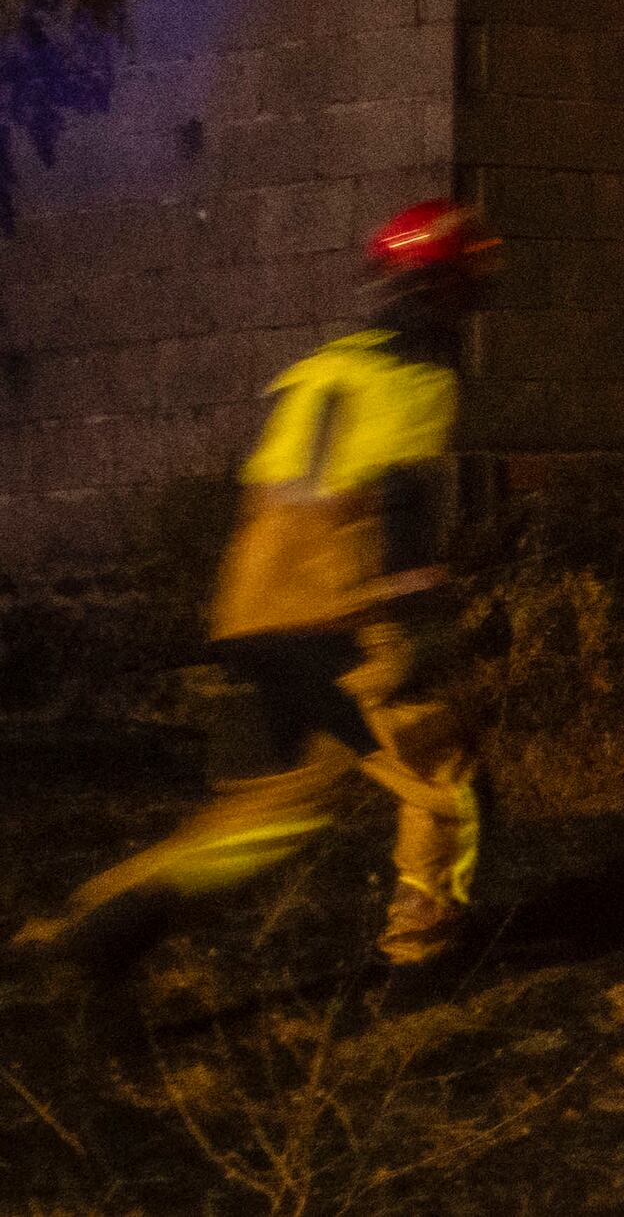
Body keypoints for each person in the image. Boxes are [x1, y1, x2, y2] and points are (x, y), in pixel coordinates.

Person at [18, 201, 500, 1005]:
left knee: (277, 807)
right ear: (446, 287)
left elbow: (274, 496)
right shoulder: (417, 375)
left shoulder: (327, 365)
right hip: (330, 614)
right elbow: (401, 506)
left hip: (250, 611)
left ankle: (103, 926)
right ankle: (423, 963)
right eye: (469, 282)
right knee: (445, 771)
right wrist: (417, 621)